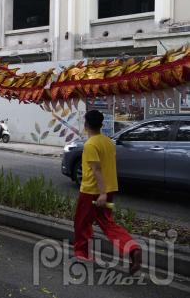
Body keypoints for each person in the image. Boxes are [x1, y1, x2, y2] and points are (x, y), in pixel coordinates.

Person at [74, 110, 141, 275]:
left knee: (81, 223)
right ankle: (132, 247)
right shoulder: (109, 142)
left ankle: (82, 254)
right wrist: (106, 192)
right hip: (110, 188)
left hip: (92, 191)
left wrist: (101, 194)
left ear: (86, 124)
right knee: (107, 223)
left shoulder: (90, 144)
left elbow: (96, 170)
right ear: (102, 124)